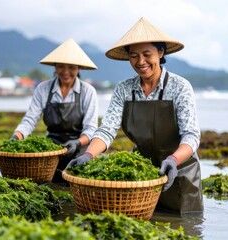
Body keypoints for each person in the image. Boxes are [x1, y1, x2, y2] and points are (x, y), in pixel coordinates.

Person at [67, 17, 203, 216]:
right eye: (134, 56)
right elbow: (107, 130)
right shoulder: (124, 89)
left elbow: (191, 135)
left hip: (180, 174)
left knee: (183, 228)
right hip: (140, 176)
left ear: (161, 52)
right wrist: (88, 154)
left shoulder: (180, 87)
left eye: (147, 54)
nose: (140, 62)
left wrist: (173, 159)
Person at [11, 38, 99, 183]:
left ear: (79, 68)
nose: (66, 72)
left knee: (74, 188)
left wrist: (76, 143)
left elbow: (91, 128)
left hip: (79, 149)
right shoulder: (43, 88)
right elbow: (30, 120)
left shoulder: (88, 91)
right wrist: (16, 137)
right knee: (49, 187)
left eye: (71, 67)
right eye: (61, 66)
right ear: (54, 66)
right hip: (51, 151)